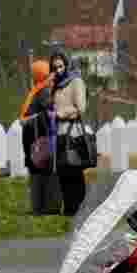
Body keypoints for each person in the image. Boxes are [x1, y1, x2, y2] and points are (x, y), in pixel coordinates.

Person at [49, 50, 88, 216]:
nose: (58, 70)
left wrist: (60, 113)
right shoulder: (56, 85)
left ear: (66, 65)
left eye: (60, 66)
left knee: (74, 171)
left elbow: (80, 108)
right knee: (63, 172)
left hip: (73, 132)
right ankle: (69, 208)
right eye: (55, 67)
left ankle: (79, 208)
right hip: (58, 133)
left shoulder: (76, 82)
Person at [20, 59, 62, 215]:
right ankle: (49, 207)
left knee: (36, 174)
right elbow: (50, 112)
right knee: (48, 174)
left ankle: (38, 207)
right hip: (43, 140)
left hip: (32, 141)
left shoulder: (34, 92)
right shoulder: (43, 92)